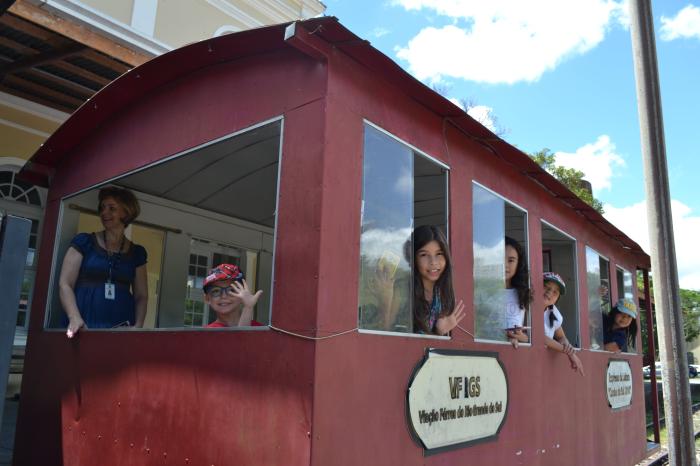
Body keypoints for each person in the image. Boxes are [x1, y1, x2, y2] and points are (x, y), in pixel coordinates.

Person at [59, 186, 148, 337]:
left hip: (121, 331)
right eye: (102, 208)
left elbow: (141, 296)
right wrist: (74, 317)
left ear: (126, 212)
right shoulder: (84, 242)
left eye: (112, 208)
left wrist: (138, 326)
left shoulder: (137, 253)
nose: (104, 212)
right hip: (82, 326)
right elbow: (65, 283)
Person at [410, 225, 465, 335]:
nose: (433, 262)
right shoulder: (404, 291)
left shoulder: (445, 296)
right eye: (424, 255)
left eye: (439, 254)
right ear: (413, 258)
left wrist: (440, 331)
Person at [542, 272, 585, 376]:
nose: (549, 292)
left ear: (557, 299)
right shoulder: (525, 304)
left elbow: (561, 337)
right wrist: (569, 352)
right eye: (546, 286)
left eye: (555, 292)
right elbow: (538, 338)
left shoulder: (553, 312)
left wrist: (567, 346)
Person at [202, 263, 263, 328]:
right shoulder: (205, 334)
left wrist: (248, 307)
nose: (224, 296)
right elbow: (240, 338)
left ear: (242, 295)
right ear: (207, 298)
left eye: (232, 290)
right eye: (216, 291)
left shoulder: (261, 330)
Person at [504, 236, 532, 348]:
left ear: (519, 264)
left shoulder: (523, 293)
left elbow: (527, 336)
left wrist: (522, 338)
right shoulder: (481, 291)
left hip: (514, 353)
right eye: (499, 258)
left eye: (511, 260)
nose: (505, 265)